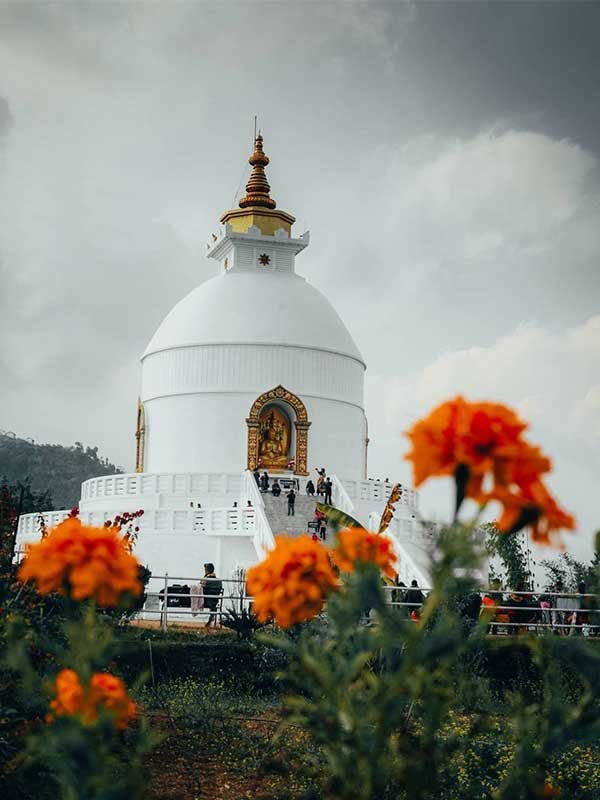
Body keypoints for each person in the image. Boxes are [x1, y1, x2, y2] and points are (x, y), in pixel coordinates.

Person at [201, 563, 223, 628]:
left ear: (207, 570)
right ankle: (212, 615)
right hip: (215, 601)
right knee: (212, 601)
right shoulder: (219, 581)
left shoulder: (205, 580)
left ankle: (212, 616)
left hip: (205, 602)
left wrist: (205, 576)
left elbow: (201, 588)